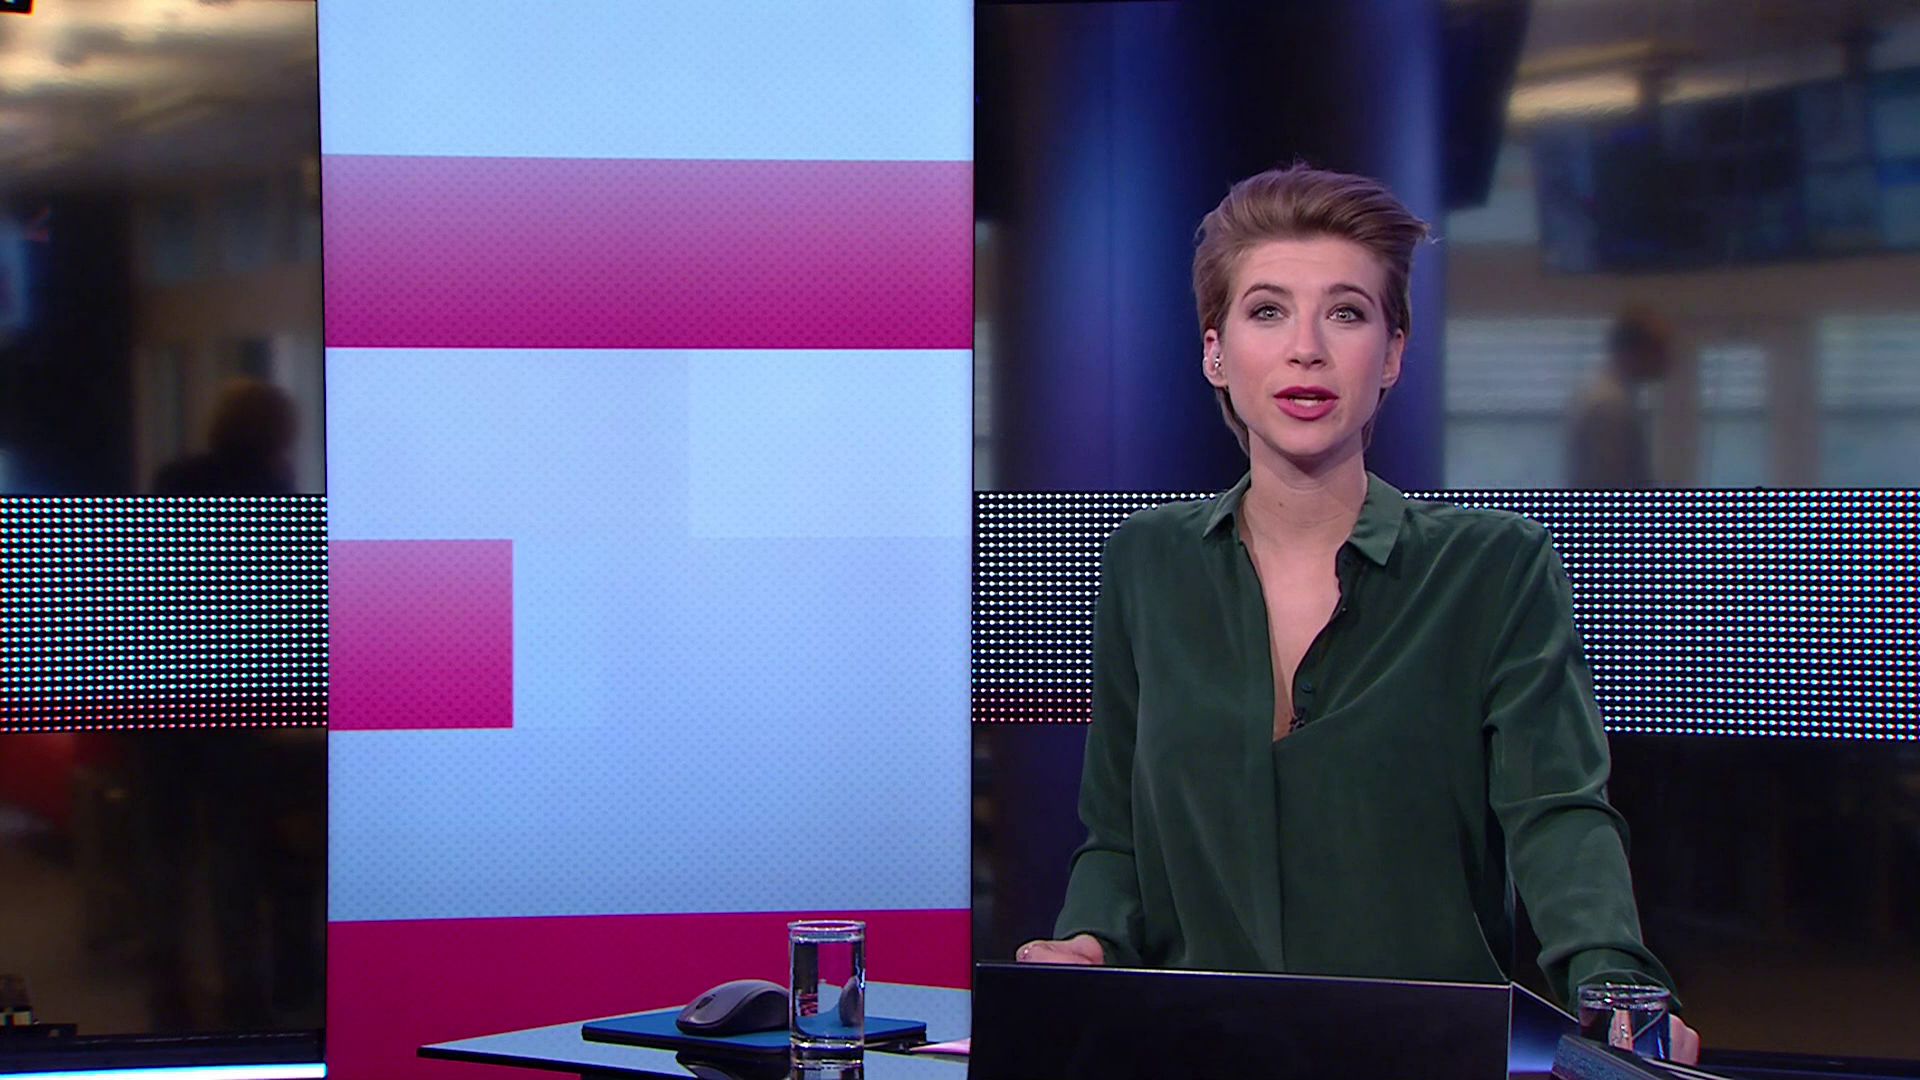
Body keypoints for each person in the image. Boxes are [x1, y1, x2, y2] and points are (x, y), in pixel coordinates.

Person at [1015, 165, 1700, 1062]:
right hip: (1195, 1051)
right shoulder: (1148, 562)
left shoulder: (1493, 567)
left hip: (1426, 1056)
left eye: (1345, 313)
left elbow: (1558, 814)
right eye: (1268, 312)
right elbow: (1117, 837)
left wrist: (1618, 987)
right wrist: (1086, 940)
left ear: (1393, 354)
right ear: (1216, 352)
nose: (1306, 349)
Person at [1566, 308, 1675, 488]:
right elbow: (1608, 482)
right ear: (1633, 351)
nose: (1666, 361)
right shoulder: (1610, 408)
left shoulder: (1605, 397)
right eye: (1658, 351)